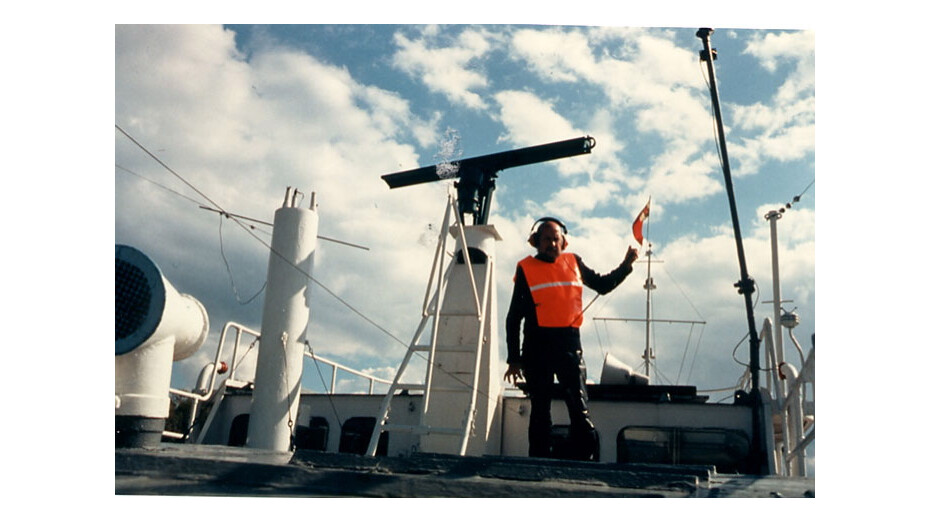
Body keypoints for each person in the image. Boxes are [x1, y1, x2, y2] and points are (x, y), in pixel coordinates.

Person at [504, 217, 638, 460]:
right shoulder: (526, 268)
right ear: (536, 242)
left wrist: (626, 265)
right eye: (546, 239)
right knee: (540, 408)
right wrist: (514, 359)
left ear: (563, 242)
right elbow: (514, 318)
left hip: (568, 344)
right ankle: (538, 460)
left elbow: (603, 284)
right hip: (536, 347)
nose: (552, 244)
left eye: (556, 239)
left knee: (578, 403)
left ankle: (583, 458)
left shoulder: (574, 261)